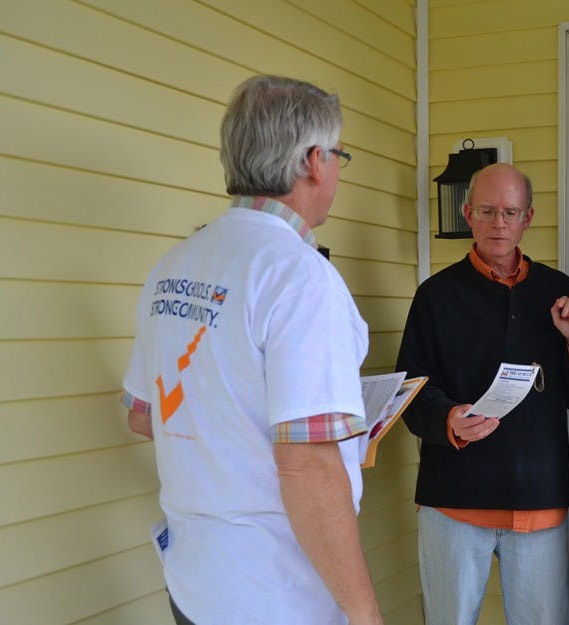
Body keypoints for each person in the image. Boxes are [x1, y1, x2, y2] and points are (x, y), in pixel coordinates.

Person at [121, 75, 383, 625]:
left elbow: (144, 416)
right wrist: (363, 612)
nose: (337, 170)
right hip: (276, 594)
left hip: (195, 583)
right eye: (339, 155)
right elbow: (308, 468)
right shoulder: (299, 277)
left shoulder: (173, 266)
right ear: (314, 161)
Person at [396, 163, 569, 625]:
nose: (499, 222)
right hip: (454, 500)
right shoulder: (435, 295)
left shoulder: (560, 293)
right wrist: (447, 419)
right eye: (488, 210)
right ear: (467, 214)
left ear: (528, 218)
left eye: (511, 211)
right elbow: (408, 387)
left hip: (538, 497)